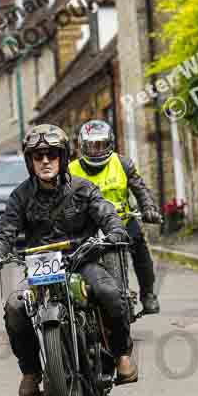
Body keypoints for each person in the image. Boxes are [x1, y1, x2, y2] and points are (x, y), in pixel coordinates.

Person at [0, 123, 138, 396]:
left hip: (82, 260)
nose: (45, 161)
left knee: (110, 293)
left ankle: (122, 354)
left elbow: (105, 212)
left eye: (51, 154)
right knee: (15, 306)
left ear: (63, 158)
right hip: (40, 267)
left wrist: (115, 230)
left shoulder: (83, 188)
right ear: (30, 161)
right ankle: (30, 372)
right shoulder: (20, 196)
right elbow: (4, 231)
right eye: (37, 156)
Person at [69, 120, 162, 315]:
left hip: (124, 221)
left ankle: (148, 294)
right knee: (75, 258)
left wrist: (149, 208)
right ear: (82, 146)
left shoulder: (123, 163)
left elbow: (140, 189)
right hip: (89, 226)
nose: (96, 151)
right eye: (91, 146)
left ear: (110, 144)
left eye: (100, 145)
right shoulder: (70, 171)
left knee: (141, 251)